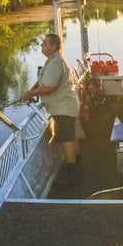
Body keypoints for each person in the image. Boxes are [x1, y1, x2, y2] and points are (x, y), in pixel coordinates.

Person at [21, 33, 81, 180]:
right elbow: (42, 82)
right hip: (66, 106)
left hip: (63, 108)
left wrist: (29, 94)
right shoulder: (53, 60)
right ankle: (77, 164)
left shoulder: (55, 63)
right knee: (71, 136)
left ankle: (73, 172)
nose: (41, 45)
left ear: (53, 46)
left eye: (44, 43)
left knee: (67, 138)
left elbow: (48, 88)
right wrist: (32, 91)